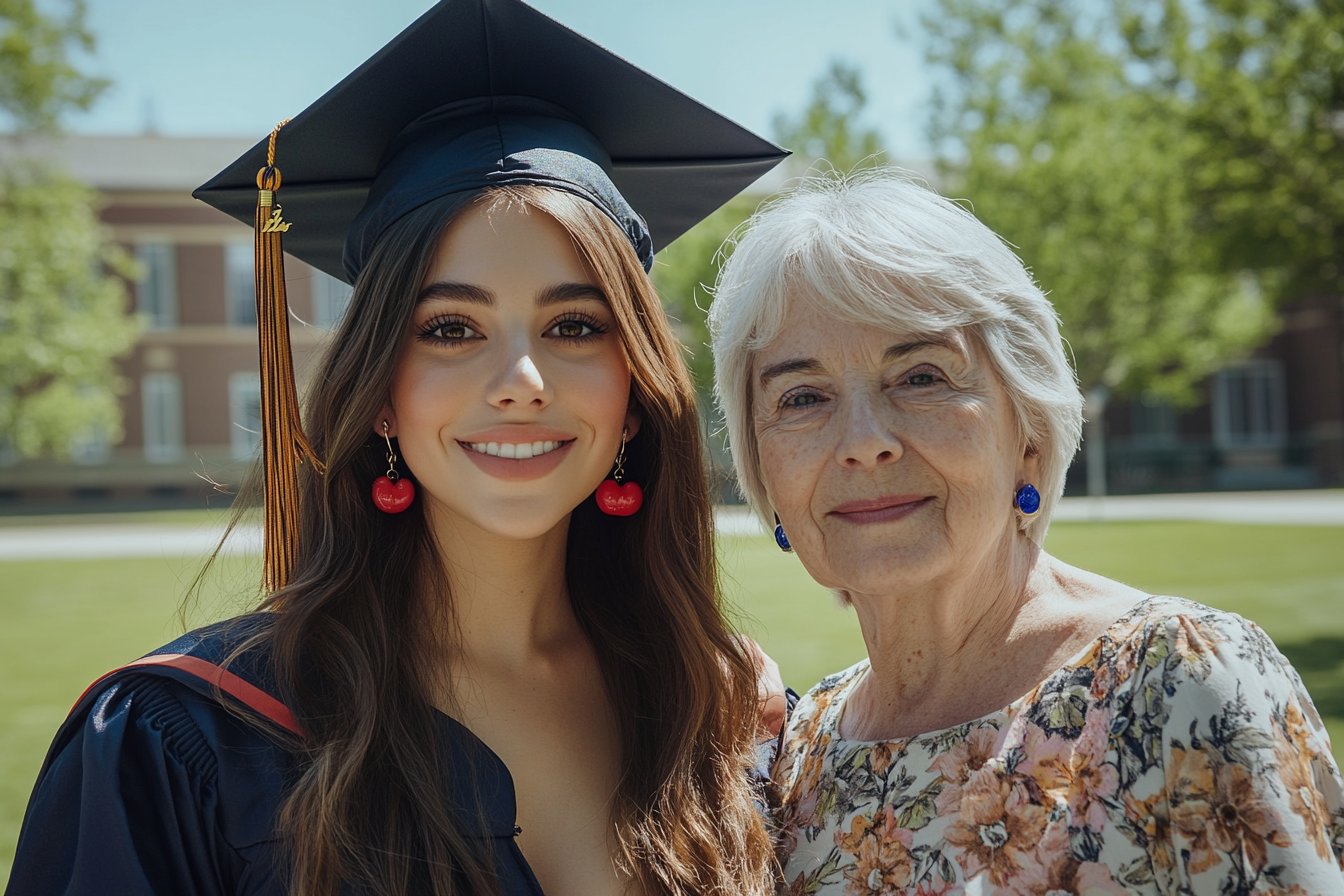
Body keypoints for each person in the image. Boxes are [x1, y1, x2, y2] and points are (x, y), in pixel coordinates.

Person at [5, 2, 790, 895]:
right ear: (379, 392)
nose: (522, 379)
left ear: (638, 393)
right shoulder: (194, 742)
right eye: (451, 328)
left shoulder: (710, 711)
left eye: (576, 324)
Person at [708, 168, 1344, 895]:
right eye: (803, 396)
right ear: (766, 474)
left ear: (1030, 435)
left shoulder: (1179, 685)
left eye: (920, 376)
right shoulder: (799, 752)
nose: (864, 441)